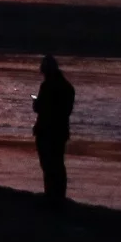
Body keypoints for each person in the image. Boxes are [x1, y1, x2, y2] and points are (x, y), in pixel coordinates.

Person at [34, 54, 76, 205]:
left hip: (47, 131)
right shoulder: (68, 87)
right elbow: (66, 111)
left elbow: (41, 108)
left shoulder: (47, 86)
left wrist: (36, 104)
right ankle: (59, 196)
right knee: (58, 164)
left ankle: (51, 195)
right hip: (60, 132)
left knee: (48, 164)